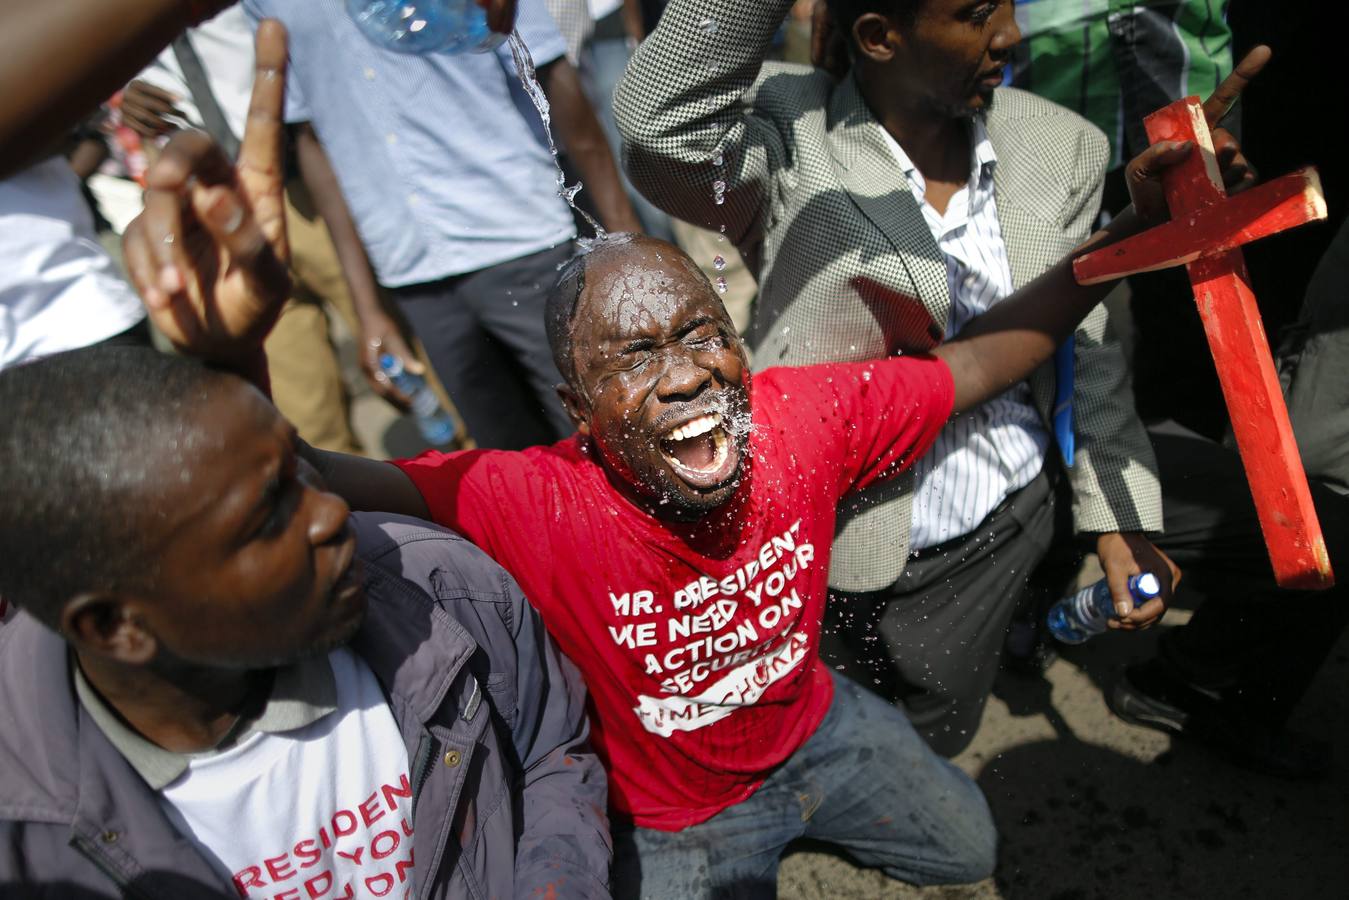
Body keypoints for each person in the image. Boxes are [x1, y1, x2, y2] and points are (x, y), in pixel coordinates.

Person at [123, 27, 1251, 888]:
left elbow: (988, 356)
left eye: (701, 334)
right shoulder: (526, 496)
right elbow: (309, 475)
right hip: (668, 817)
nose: (683, 374)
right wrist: (232, 354)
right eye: (635, 356)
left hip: (819, 727)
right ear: (577, 412)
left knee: (968, 849)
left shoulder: (802, 417)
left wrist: (1121, 240)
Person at [0, 347, 610, 899]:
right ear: (114, 628)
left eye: (297, 465)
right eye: (265, 519)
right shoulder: (25, 834)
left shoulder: (438, 586)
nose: (330, 513)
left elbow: (548, 752)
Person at [243, 0, 642, 449]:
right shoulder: (265, 5)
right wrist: (368, 311)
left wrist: (626, 235)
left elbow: (552, 73)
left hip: (522, 236)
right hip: (412, 273)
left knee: (605, 432)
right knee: (509, 461)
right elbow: (312, 139)